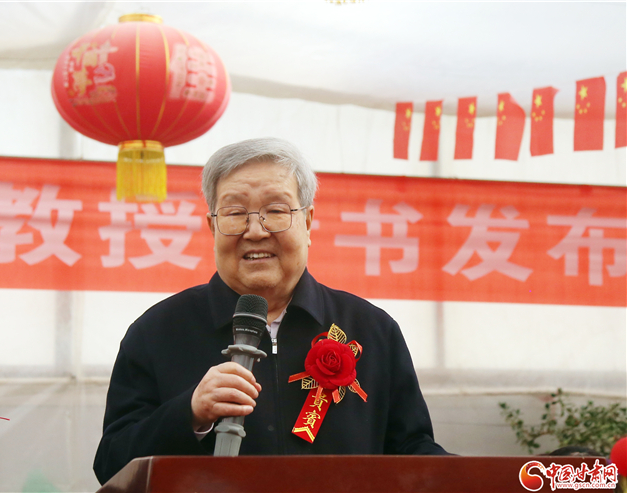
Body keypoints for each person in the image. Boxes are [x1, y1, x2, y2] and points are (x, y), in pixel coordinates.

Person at [93, 137, 448, 484]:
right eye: (235, 213)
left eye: (276, 211)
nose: (255, 231)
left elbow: (412, 451)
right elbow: (111, 465)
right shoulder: (157, 332)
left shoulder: (372, 330)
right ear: (212, 226)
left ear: (307, 222)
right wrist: (190, 413)